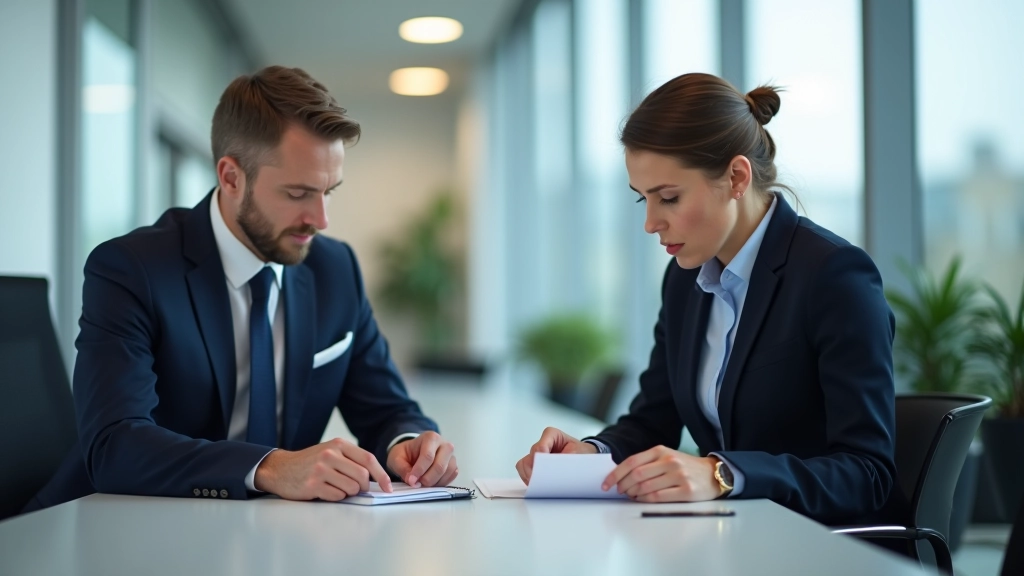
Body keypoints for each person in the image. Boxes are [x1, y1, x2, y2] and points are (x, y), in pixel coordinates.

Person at [25, 66, 457, 511]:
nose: (321, 219)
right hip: (119, 530)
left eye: (329, 191)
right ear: (231, 178)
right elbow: (114, 445)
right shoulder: (132, 270)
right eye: (297, 193)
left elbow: (386, 408)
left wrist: (409, 444)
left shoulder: (335, 269)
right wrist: (270, 467)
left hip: (271, 537)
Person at [515, 72, 899, 526]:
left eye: (670, 198)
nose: (651, 223)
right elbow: (652, 420)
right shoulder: (684, 280)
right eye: (644, 201)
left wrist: (721, 474)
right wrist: (591, 452)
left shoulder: (833, 275)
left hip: (813, 547)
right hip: (727, 539)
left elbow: (867, 474)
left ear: (737, 177)